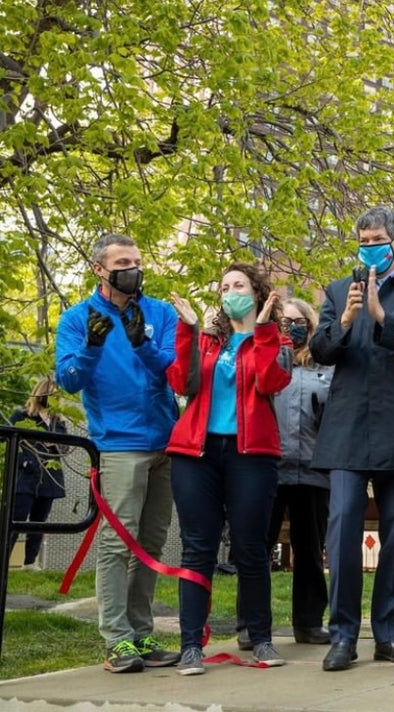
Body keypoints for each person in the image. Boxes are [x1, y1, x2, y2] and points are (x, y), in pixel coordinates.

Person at [310, 206, 394, 671]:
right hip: (348, 429)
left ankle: (389, 633)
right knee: (344, 526)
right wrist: (348, 319)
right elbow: (321, 351)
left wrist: (382, 317)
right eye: (363, 238)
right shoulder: (336, 291)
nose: (369, 246)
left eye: (377, 239)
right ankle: (343, 635)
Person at [55, 233, 181, 673]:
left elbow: (173, 368)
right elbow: (69, 380)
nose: (133, 268)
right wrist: (91, 348)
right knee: (117, 542)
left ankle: (142, 635)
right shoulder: (76, 318)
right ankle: (116, 639)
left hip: (165, 441)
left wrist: (141, 343)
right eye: (123, 262)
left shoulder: (161, 313)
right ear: (100, 269)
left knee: (150, 542)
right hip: (119, 444)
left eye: (137, 260)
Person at [166, 262, 292, 676]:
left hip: (251, 454)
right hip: (195, 454)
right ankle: (190, 646)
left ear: (257, 293)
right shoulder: (206, 341)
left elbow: (269, 382)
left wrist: (261, 331)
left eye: (239, 285)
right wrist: (187, 329)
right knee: (196, 549)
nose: (230, 291)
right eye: (224, 286)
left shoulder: (277, 340)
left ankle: (261, 638)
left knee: (251, 550)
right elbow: (181, 383)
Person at [237, 297, 334, 651]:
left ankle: (309, 623)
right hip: (267, 469)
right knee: (257, 547)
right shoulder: (263, 361)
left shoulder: (326, 366)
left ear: (311, 327)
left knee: (310, 550)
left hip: (313, 470)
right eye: (284, 321)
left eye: (298, 321)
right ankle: (250, 624)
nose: (291, 327)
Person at [7, 376, 69, 568]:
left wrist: (56, 445)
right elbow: (7, 439)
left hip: (49, 479)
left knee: (39, 522)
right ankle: (4, 561)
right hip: (26, 476)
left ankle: (30, 564)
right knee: (16, 520)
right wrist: (23, 462)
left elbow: (67, 448)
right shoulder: (22, 415)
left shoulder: (58, 422)